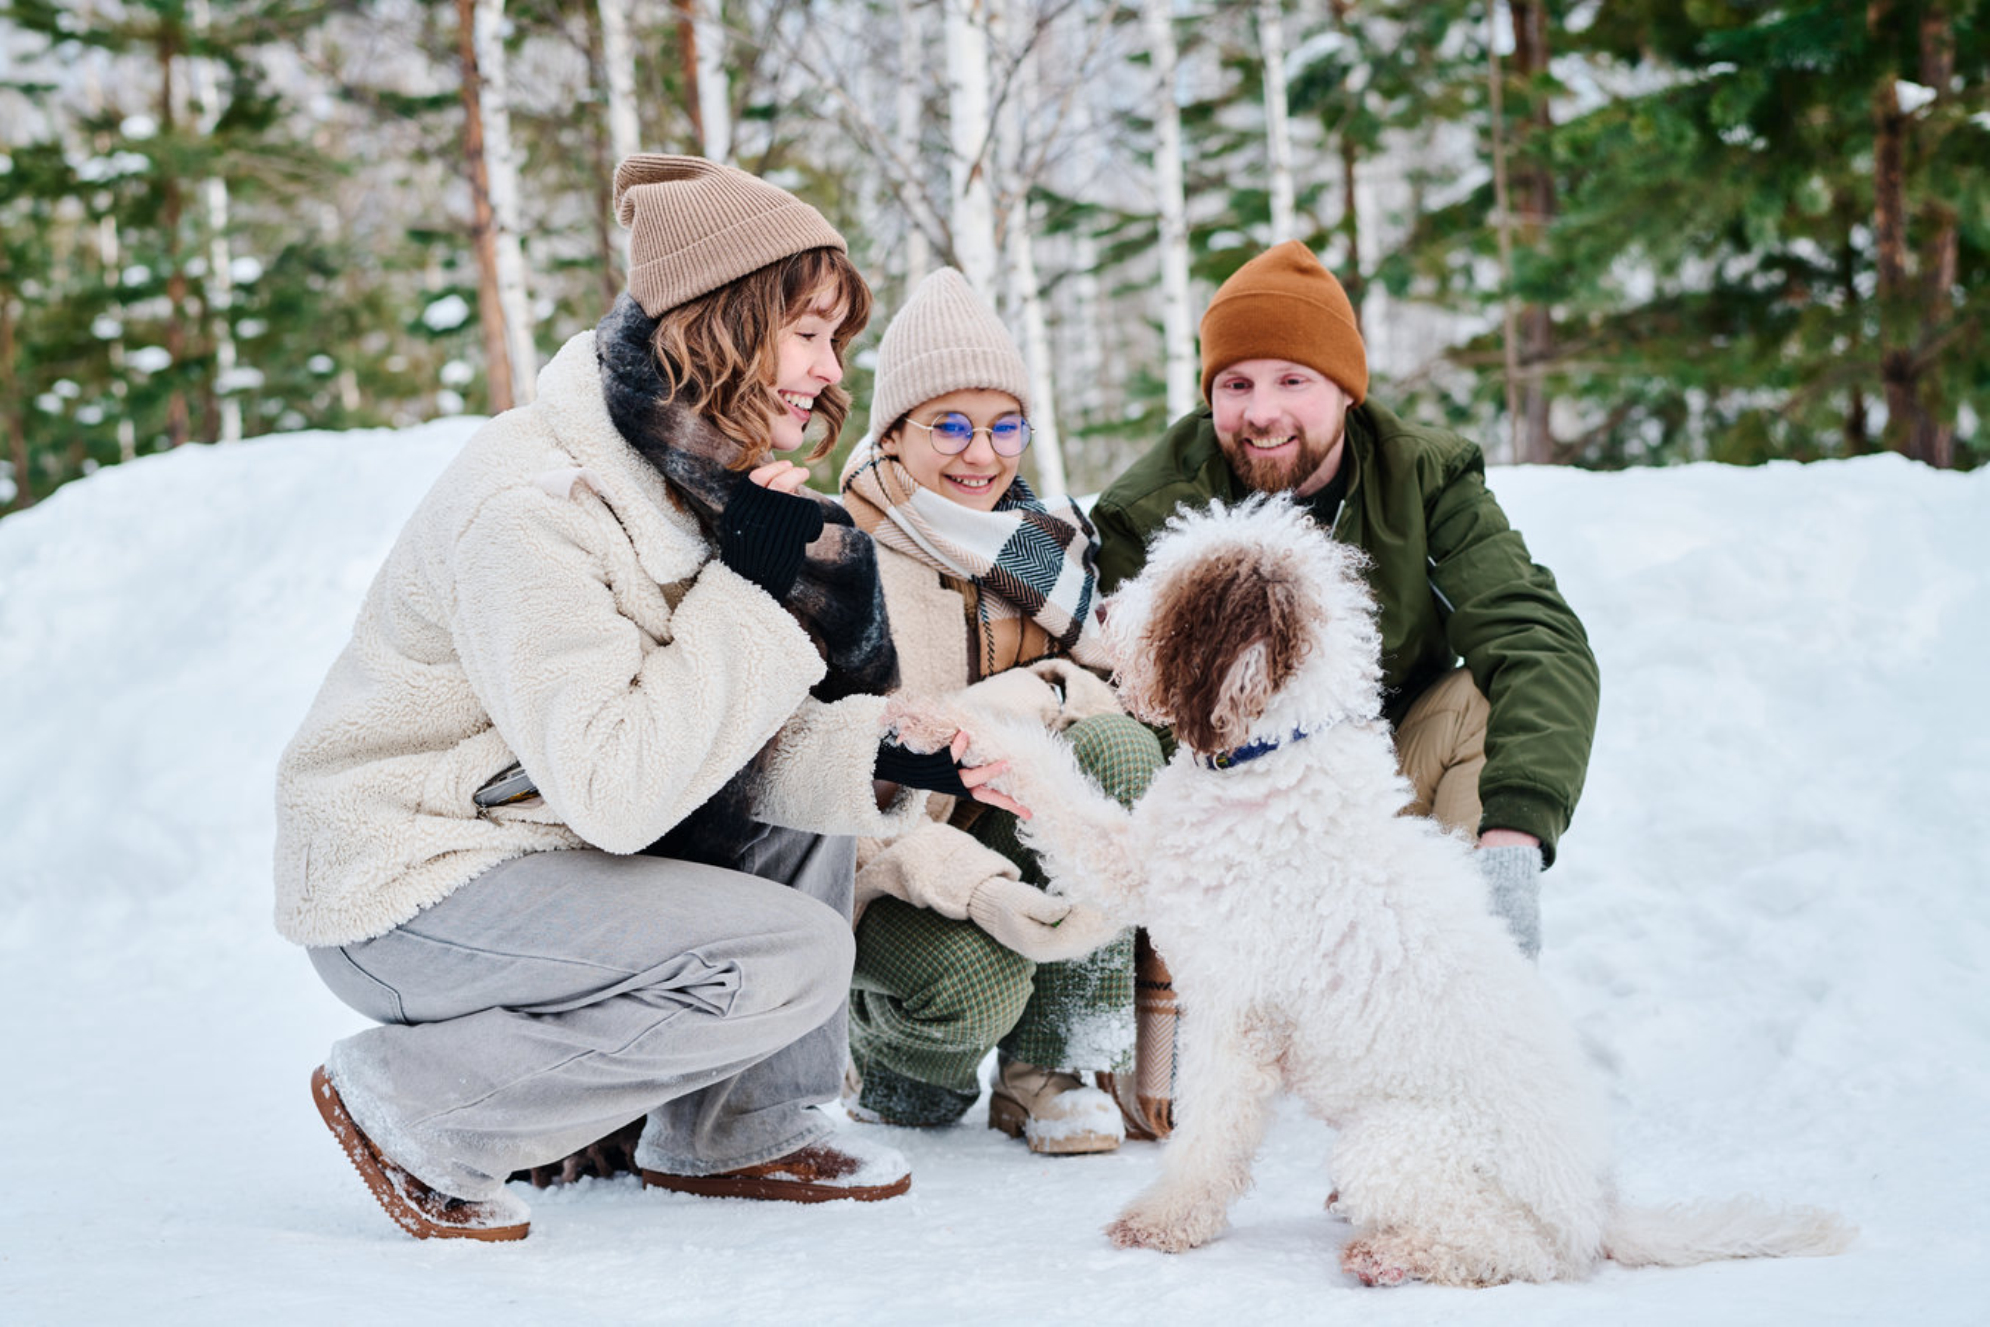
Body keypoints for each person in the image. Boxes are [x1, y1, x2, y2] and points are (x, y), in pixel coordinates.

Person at [275, 157, 1015, 1242]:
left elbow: (714, 725)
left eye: (834, 341)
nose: (827, 369)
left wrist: (885, 753)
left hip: (539, 839)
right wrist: (753, 590)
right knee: (787, 953)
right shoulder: (532, 507)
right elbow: (621, 787)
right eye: (807, 333)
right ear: (721, 326)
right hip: (411, 884)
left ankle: (739, 1124)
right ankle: (424, 1103)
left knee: (811, 810)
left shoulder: (694, 470)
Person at [1091, 241, 1600, 957]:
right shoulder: (1155, 507)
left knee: (1485, 696)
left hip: (1383, 779)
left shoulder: (1423, 477)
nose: (1261, 412)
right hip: (1228, 807)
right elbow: (1130, 701)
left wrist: (1512, 843)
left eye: (1292, 380)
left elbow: (1535, 638)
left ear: (1345, 388)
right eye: (1235, 385)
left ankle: (1465, 963)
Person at [836, 269, 1165, 1153]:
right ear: (894, 431)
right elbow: (836, 790)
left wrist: (1026, 696)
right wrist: (979, 891)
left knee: (1123, 751)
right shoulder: (842, 562)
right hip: (889, 867)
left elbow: (1109, 684)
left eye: (1002, 424)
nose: (981, 454)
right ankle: (895, 1071)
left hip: (1002, 819)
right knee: (975, 984)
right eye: (948, 423)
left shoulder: (1041, 550)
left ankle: (1055, 1069)